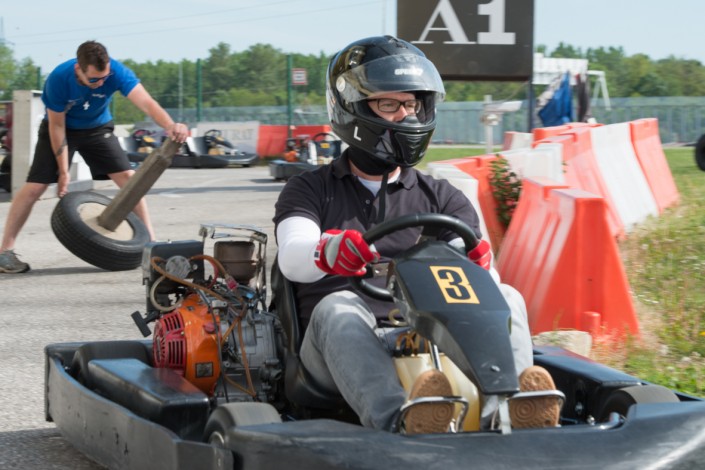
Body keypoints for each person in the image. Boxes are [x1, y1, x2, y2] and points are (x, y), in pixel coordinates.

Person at [273, 35, 561, 434]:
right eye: (389, 105)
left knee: (508, 296)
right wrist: (328, 251)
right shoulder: (310, 189)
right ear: (352, 108)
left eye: (410, 105)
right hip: (337, 348)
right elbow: (292, 255)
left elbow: (483, 280)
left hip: (427, 334)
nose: (405, 117)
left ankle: (505, 414)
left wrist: (480, 269)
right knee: (337, 306)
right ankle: (401, 422)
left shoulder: (442, 197)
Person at [0, 40, 189, 274]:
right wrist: (63, 171)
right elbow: (57, 126)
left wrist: (171, 126)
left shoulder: (116, 72)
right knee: (35, 188)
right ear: (78, 69)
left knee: (130, 180)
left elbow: (147, 104)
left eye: (103, 78)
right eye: (93, 80)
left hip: (97, 129)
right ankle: (5, 252)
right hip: (61, 129)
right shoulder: (59, 79)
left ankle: (151, 245)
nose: (100, 83)